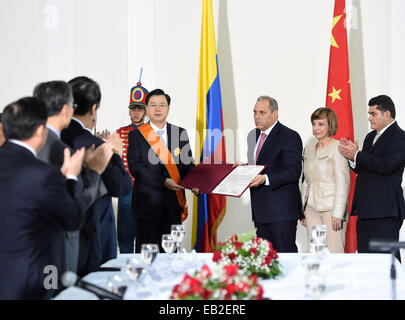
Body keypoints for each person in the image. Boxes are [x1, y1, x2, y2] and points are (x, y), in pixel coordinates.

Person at [0, 97, 85, 299]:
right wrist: (72, 177)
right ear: (40, 131)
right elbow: (72, 219)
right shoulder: (42, 174)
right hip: (28, 281)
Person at [34, 80, 113, 276]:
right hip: (57, 249)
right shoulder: (61, 151)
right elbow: (75, 204)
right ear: (65, 110)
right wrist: (95, 170)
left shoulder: (31, 142)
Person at [61, 76, 132, 275]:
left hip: (58, 240)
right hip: (93, 241)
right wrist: (116, 152)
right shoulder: (95, 144)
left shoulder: (53, 137)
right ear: (93, 109)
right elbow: (122, 187)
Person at [127, 88, 198, 253]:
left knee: (171, 255)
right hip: (146, 206)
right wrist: (163, 181)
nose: (158, 109)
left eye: (162, 105)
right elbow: (135, 167)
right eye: (153, 105)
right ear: (146, 108)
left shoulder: (179, 133)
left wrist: (196, 182)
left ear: (168, 108)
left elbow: (188, 164)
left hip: (173, 206)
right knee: (147, 257)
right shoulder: (137, 135)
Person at [339, 95, 405, 260]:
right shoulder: (370, 137)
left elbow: (386, 166)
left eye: (373, 113)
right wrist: (352, 158)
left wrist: (358, 155)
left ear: (387, 114)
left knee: (386, 260)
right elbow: (365, 168)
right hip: (366, 210)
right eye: (369, 113)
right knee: (366, 261)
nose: (369, 118)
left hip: (385, 211)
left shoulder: (400, 137)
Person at [246, 95, 303, 252]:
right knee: (264, 262)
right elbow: (258, 166)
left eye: (262, 113)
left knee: (286, 260)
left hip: (281, 213)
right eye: (255, 112)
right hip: (259, 211)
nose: (257, 117)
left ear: (275, 113)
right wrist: (242, 169)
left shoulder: (290, 136)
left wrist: (265, 178)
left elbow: (293, 171)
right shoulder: (253, 135)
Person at [300, 107, 350, 253]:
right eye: (314, 124)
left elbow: (343, 183)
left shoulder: (338, 148)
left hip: (331, 210)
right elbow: (306, 181)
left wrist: (338, 213)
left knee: (335, 255)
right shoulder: (309, 148)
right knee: (316, 255)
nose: (316, 128)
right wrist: (302, 209)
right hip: (311, 210)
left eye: (320, 124)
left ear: (330, 125)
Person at [115, 82, 149, 253]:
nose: (136, 112)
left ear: (146, 111)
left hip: (146, 188)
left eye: (140, 109)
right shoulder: (120, 133)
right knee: (125, 234)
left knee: (146, 234)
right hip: (127, 188)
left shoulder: (153, 133)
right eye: (133, 109)